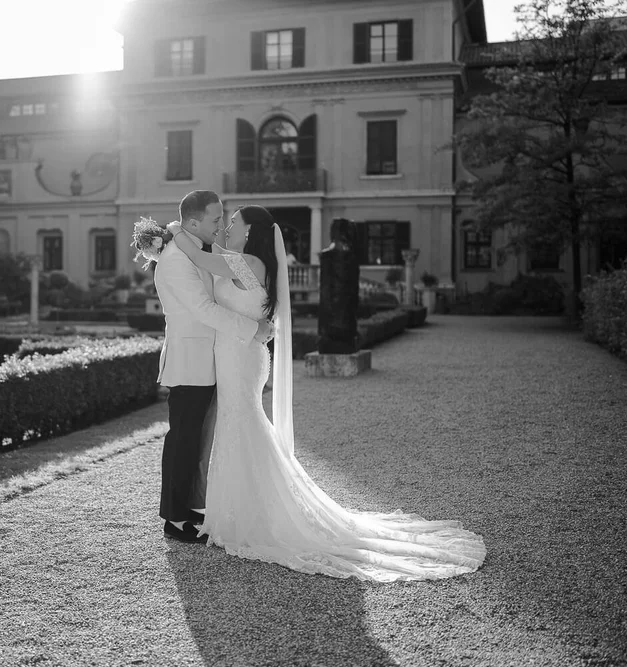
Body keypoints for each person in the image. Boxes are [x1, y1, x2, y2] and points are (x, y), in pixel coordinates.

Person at [166, 206, 486, 581]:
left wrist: (173, 231)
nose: (227, 225)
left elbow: (198, 256)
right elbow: (213, 255)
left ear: (250, 231)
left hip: (239, 357)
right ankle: (239, 508)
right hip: (242, 354)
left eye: (234, 221)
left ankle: (244, 515)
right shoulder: (247, 261)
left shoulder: (245, 263)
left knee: (239, 423)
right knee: (242, 424)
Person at [153, 191, 273, 544]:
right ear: (194, 222)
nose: (222, 225)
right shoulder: (176, 259)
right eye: (217, 219)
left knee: (198, 440)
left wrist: (176, 232)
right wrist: (253, 329)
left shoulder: (209, 252)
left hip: (220, 360)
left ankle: (191, 507)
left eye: (227, 220)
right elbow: (204, 309)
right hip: (190, 362)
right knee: (184, 441)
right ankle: (175, 519)